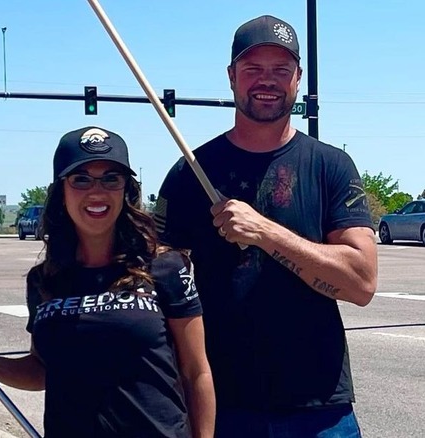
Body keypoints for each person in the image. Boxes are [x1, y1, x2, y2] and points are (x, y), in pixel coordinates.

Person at [152, 15, 378, 438]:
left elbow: (361, 284)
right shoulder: (191, 173)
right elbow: (155, 283)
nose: (267, 81)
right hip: (223, 407)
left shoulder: (329, 166)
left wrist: (265, 231)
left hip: (320, 411)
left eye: (280, 70)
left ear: (298, 79)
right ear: (232, 77)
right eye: (253, 69)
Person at [0, 126, 215, 437]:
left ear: (125, 190)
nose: (96, 191)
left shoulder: (164, 266)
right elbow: (43, 370)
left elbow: (196, 371)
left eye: (110, 179)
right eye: (81, 179)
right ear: (62, 192)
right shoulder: (45, 280)